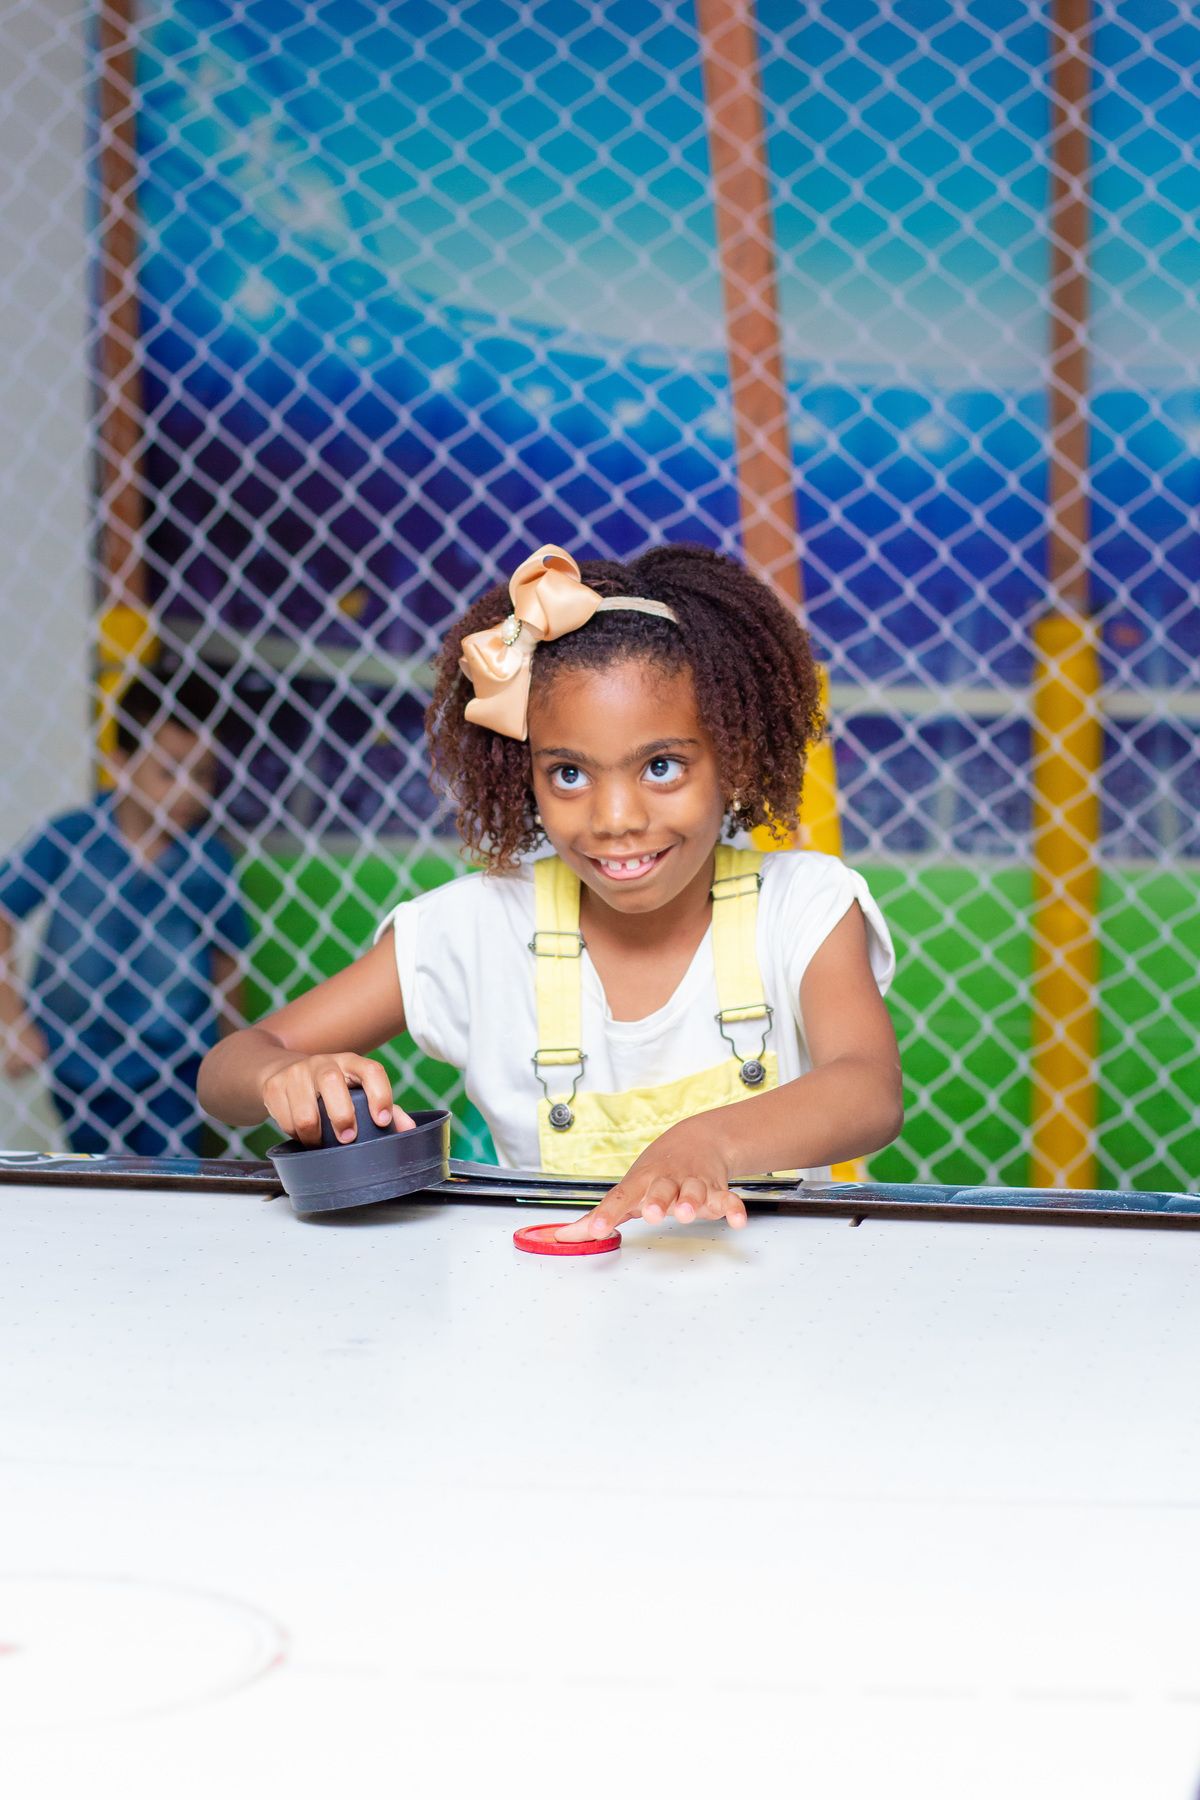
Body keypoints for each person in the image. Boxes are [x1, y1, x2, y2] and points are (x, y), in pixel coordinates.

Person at [199, 543, 902, 1237]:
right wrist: (279, 1077)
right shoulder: (480, 926)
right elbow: (227, 1068)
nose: (615, 819)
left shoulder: (803, 904)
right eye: (569, 774)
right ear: (524, 777)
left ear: (736, 759)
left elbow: (868, 1087)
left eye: (661, 766)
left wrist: (708, 1143)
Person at [0, 670, 247, 1156]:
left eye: (202, 775)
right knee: (95, 1182)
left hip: (176, 1066)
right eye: (170, 772)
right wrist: (12, 1020)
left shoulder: (208, 860)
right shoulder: (70, 837)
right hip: (78, 1061)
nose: (189, 793)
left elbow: (227, 961)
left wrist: (233, 1056)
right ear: (120, 765)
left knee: (172, 1180)